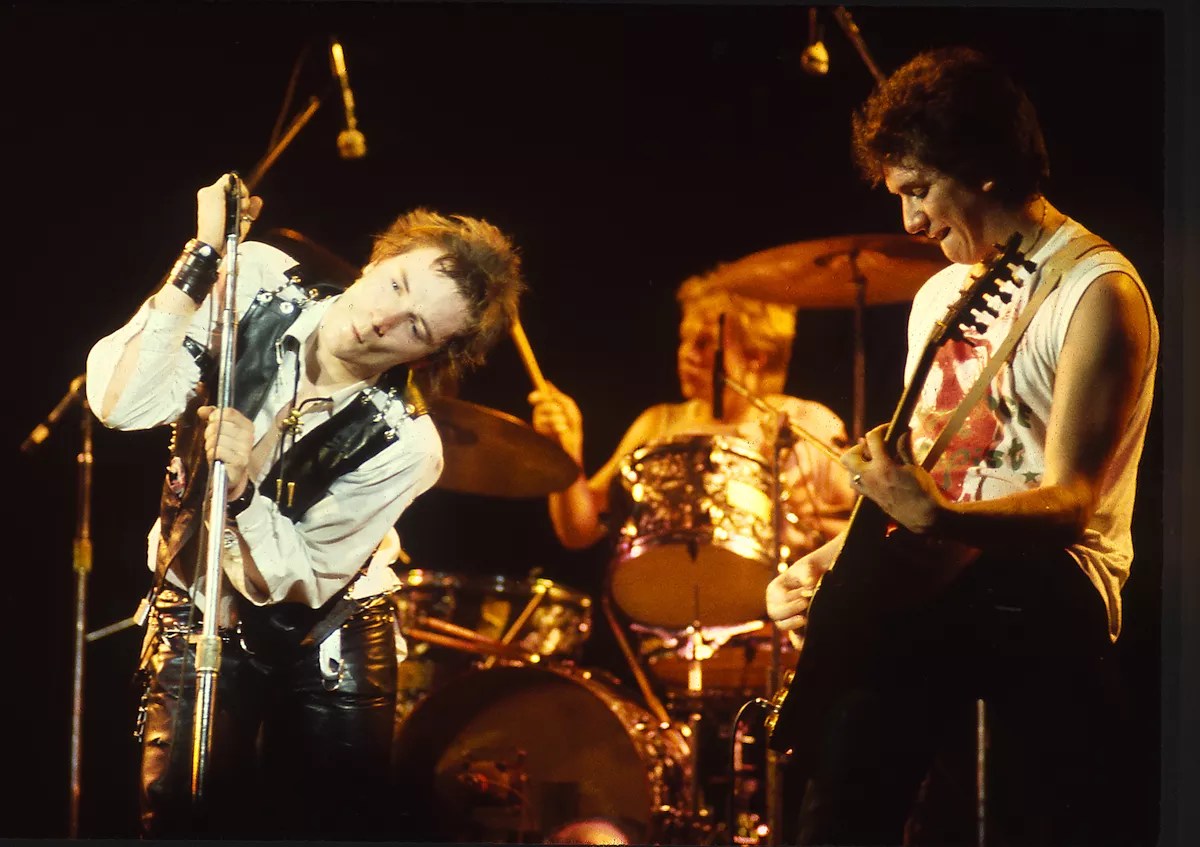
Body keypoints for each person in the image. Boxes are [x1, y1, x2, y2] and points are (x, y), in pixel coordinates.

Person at [766, 47, 1158, 846]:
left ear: (981, 167)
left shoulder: (1097, 290)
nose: (909, 222)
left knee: (905, 641)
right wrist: (823, 567)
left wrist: (938, 522)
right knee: (843, 771)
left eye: (918, 190)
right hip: (938, 574)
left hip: (1054, 582)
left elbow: (1071, 504)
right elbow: (920, 484)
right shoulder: (939, 294)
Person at [85, 173, 525, 839]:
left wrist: (242, 493)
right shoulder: (256, 281)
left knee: (324, 823)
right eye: (396, 285)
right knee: (181, 817)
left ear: (433, 355)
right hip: (199, 595)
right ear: (375, 260)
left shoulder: (407, 445)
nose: (382, 320)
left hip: (328, 633)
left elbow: (301, 576)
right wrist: (202, 257)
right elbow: (122, 404)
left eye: (415, 327)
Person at [530, 273, 855, 672]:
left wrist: (806, 523)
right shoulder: (660, 425)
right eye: (684, 340)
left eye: (704, 343)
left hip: (784, 640)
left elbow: (860, 531)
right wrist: (565, 449)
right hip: (674, 640)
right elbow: (578, 530)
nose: (686, 354)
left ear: (756, 354)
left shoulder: (807, 423)